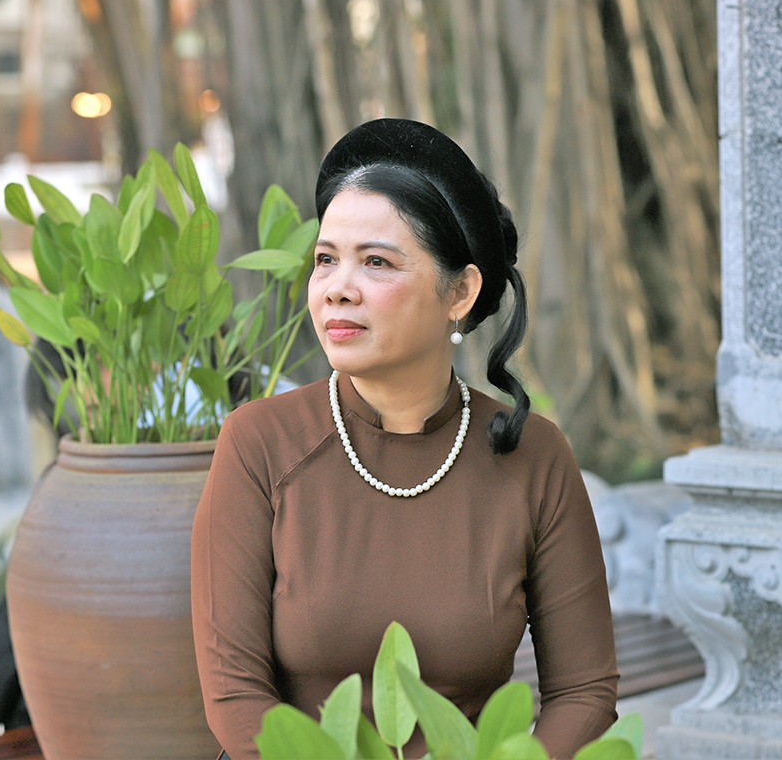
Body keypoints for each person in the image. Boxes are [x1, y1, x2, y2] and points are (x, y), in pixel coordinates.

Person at [191, 119, 618, 760]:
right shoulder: (259, 443)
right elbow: (233, 692)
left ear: (460, 292)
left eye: (376, 262)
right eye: (326, 259)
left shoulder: (534, 457)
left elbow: (585, 690)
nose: (337, 288)